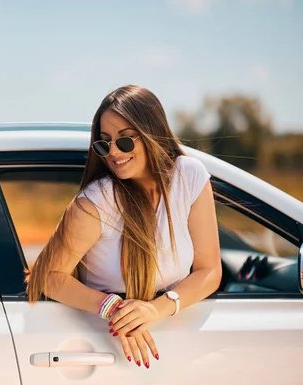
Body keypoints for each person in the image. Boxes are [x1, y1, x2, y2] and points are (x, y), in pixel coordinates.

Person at [25, 85, 222, 369]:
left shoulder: (189, 176)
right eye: (104, 143)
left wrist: (155, 309)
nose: (114, 153)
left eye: (126, 141)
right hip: (98, 349)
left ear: (151, 134)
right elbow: (48, 277)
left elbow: (210, 270)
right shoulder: (96, 202)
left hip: (176, 346)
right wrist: (116, 310)